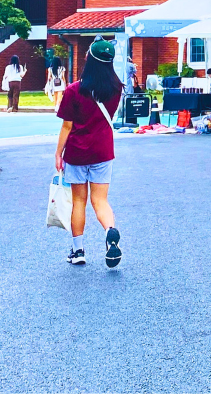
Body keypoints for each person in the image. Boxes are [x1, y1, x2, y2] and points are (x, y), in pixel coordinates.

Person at [54, 40, 124, 268]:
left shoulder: (74, 90)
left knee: (78, 201)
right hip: (103, 151)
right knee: (100, 200)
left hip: (77, 152)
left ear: (88, 60)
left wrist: (58, 153)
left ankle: (78, 250)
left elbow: (67, 126)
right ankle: (110, 232)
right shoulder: (116, 89)